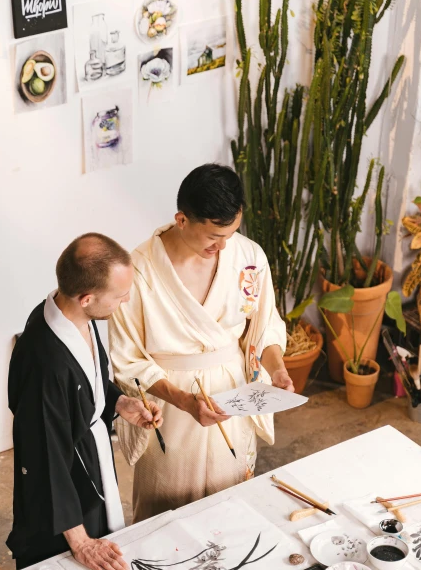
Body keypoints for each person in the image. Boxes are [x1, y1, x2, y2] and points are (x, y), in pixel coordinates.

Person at [109, 163, 293, 522]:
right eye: (213, 237)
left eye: (232, 232)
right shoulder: (139, 269)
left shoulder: (248, 257)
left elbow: (264, 327)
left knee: (233, 503)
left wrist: (278, 369)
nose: (224, 246)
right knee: (168, 505)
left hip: (232, 392)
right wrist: (183, 401)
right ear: (181, 220)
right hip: (171, 401)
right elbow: (126, 358)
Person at [7, 233, 163, 570]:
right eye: (120, 296)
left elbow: (85, 382)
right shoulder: (43, 361)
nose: (124, 303)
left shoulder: (70, 314)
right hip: (60, 481)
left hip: (87, 459)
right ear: (88, 297)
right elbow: (44, 454)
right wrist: (79, 541)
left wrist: (119, 402)